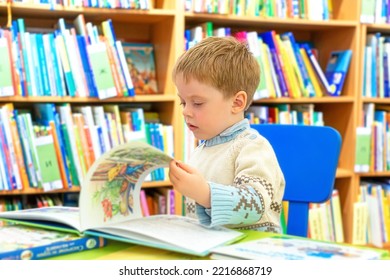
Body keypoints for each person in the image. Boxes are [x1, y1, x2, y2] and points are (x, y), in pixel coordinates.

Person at [169, 36, 285, 233]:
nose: (186, 111)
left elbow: (255, 205)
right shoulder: (202, 149)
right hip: (211, 248)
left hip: (253, 251)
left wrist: (205, 193)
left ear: (237, 103)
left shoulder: (252, 147)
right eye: (183, 102)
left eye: (197, 103)